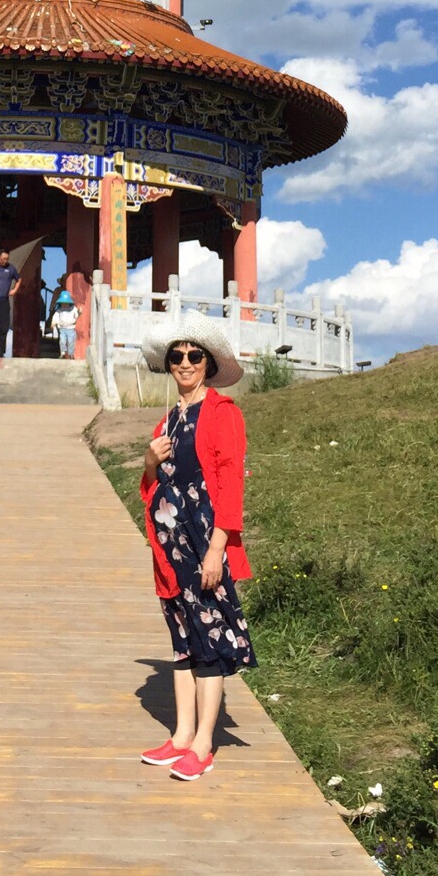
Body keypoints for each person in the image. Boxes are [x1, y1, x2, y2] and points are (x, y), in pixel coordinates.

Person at [136, 313, 255, 780]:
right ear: (168, 365)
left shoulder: (223, 413)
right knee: (182, 642)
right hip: (171, 550)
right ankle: (181, 734)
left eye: (194, 355)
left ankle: (204, 743)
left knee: (208, 641)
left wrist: (215, 549)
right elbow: (152, 487)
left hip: (203, 544)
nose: (184, 363)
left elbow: (230, 487)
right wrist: (149, 460)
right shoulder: (169, 418)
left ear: (207, 363)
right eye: (176, 356)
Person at [49, 279, 77, 358]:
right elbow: (53, 301)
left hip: (70, 325)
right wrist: (51, 312)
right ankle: (62, 352)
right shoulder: (58, 291)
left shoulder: (71, 307)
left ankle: (70, 353)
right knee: (62, 338)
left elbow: (76, 313)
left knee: (70, 340)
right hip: (61, 321)